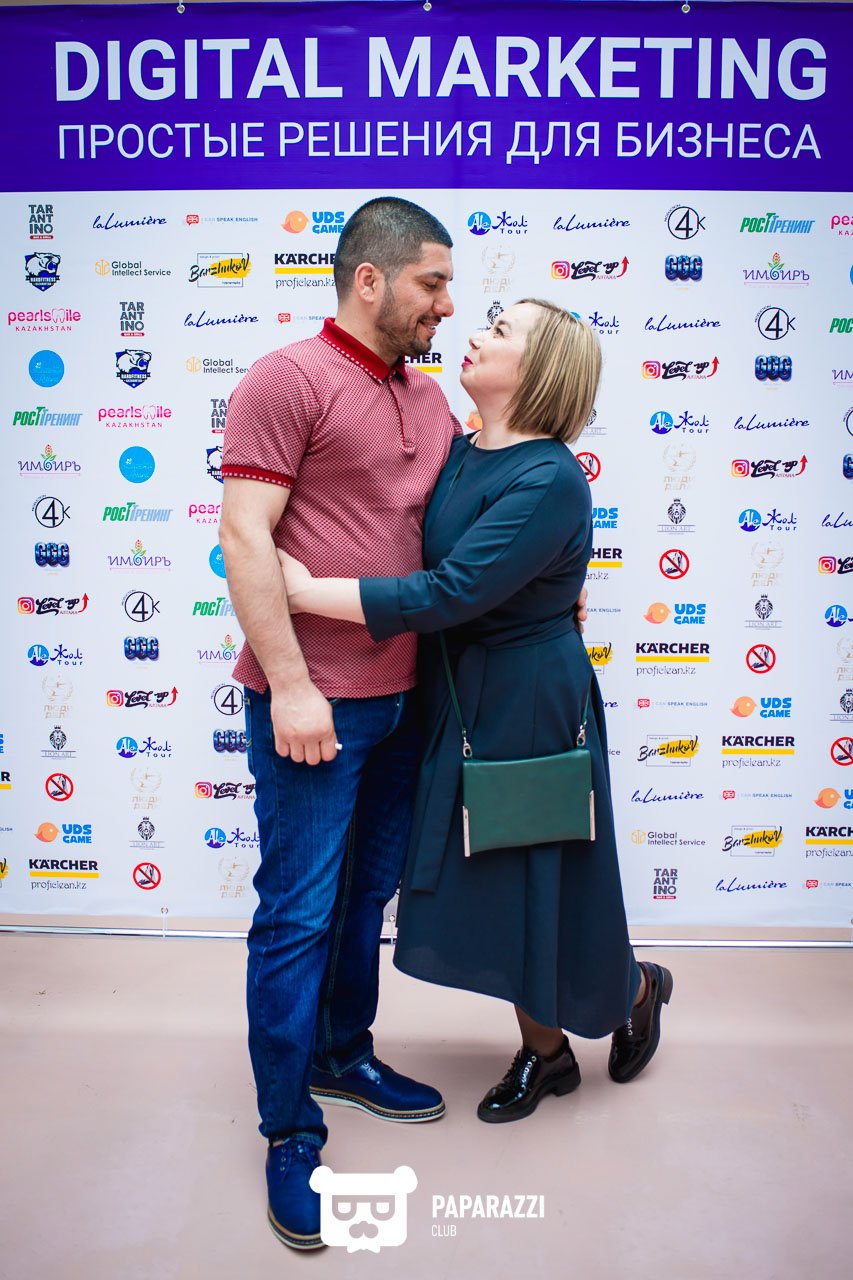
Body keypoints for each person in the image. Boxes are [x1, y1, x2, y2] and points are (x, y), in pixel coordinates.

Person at [279, 298, 674, 1127]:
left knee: (540, 876)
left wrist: (307, 593)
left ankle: (621, 999)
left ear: (537, 370)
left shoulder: (551, 477)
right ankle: (554, 1048)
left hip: (527, 699)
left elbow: (451, 591)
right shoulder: (460, 452)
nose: (475, 335)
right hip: (457, 690)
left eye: (499, 331)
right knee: (496, 884)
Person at [219, 198, 461, 1252]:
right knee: (297, 914)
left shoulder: (430, 396)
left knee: (366, 895)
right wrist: (291, 683)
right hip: (312, 705)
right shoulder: (288, 379)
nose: (444, 304)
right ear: (371, 278)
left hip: (407, 701)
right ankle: (288, 1129)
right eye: (431, 283)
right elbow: (245, 536)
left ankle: (341, 1051)